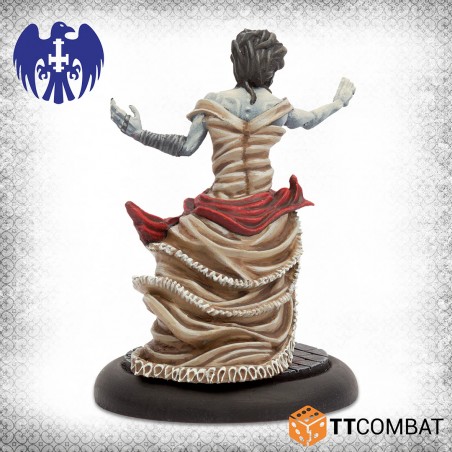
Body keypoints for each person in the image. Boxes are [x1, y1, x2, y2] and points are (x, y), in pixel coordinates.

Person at [110, 29, 355, 384]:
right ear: (270, 69)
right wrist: (339, 101)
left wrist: (138, 133)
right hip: (263, 215)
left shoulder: (215, 102)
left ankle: (211, 341)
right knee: (261, 269)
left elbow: (184, 147)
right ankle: (242, 344)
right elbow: (312, 119)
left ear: (236, 63)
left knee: (190, 258)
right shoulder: (278, 107)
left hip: (217, 212)